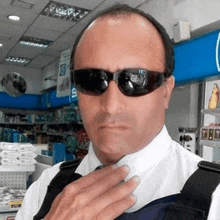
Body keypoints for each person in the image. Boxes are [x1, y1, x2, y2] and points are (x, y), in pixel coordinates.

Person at [16, 4, 220, 220]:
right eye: (92, 80)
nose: (111, 105)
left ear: (166, 91)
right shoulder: (45, 188)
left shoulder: (215, 199)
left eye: (136, 79)